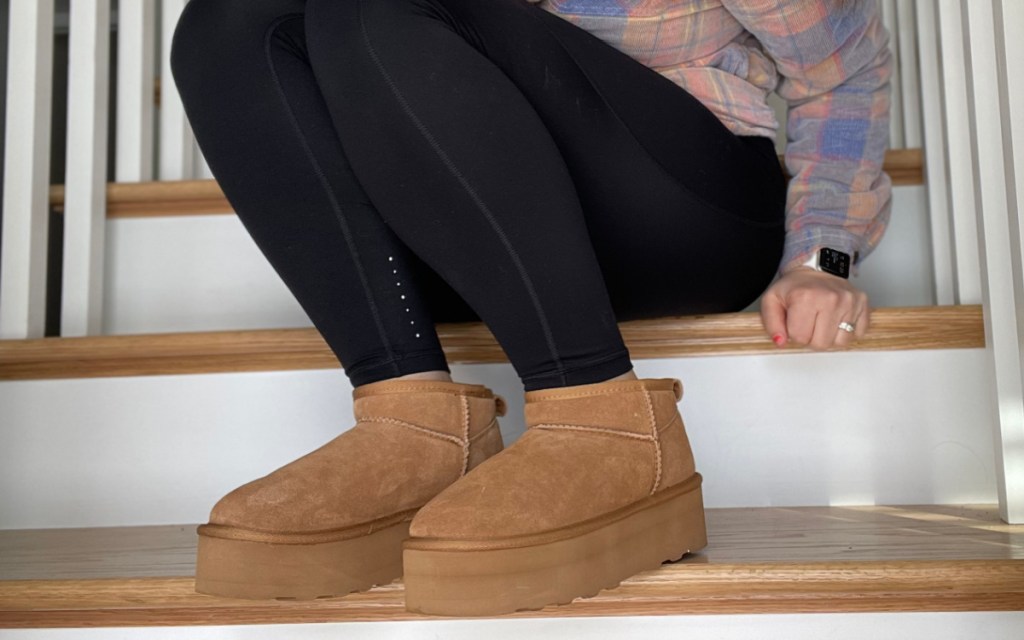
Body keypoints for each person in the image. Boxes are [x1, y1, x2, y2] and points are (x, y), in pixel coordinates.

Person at [169, 0, 891, 615]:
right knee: (232, 17)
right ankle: (411, 419)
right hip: (471, 230)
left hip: (680, 213)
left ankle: (603, 422)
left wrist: (822, 256)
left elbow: (844, 76)